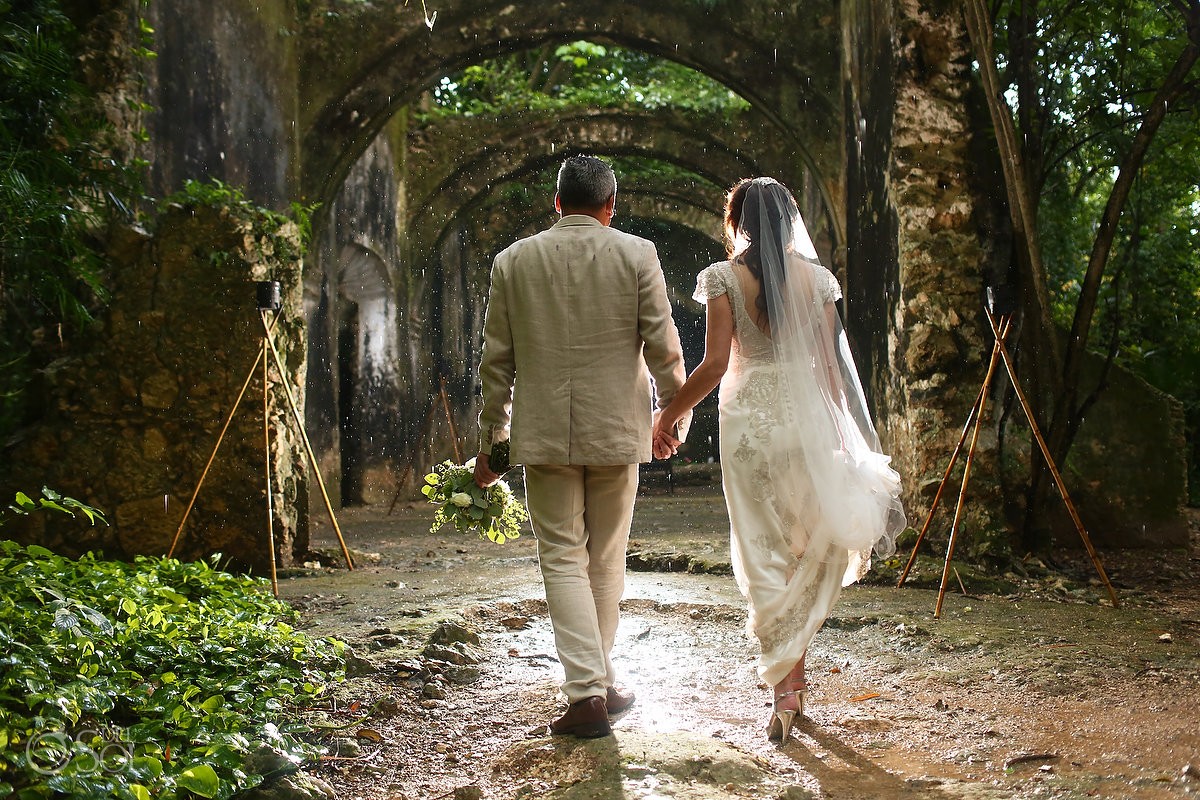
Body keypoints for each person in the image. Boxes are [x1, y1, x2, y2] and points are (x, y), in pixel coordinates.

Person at [652, 177, 905, 743]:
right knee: (805, 542)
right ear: (792, 219)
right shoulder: (817, 280)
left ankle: (785, 693)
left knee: (763, 547)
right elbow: (831, 367)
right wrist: (844, 433)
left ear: (736, 220)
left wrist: (669, 413)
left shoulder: (721, 278)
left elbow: (716, 364)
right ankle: (795, 686)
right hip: (806, 420)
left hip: (748, 429)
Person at [474, 155, 688, 739]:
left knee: (562, 557)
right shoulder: (637, 253)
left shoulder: (512, 261)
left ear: (558, 202)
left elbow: (498, 361)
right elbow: (663, 348)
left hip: (543, 432)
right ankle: (596, 685)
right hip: (618, 430)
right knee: (605, 558)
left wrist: (493, 441)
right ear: (610, 207)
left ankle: (590, 691)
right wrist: (672, 419)